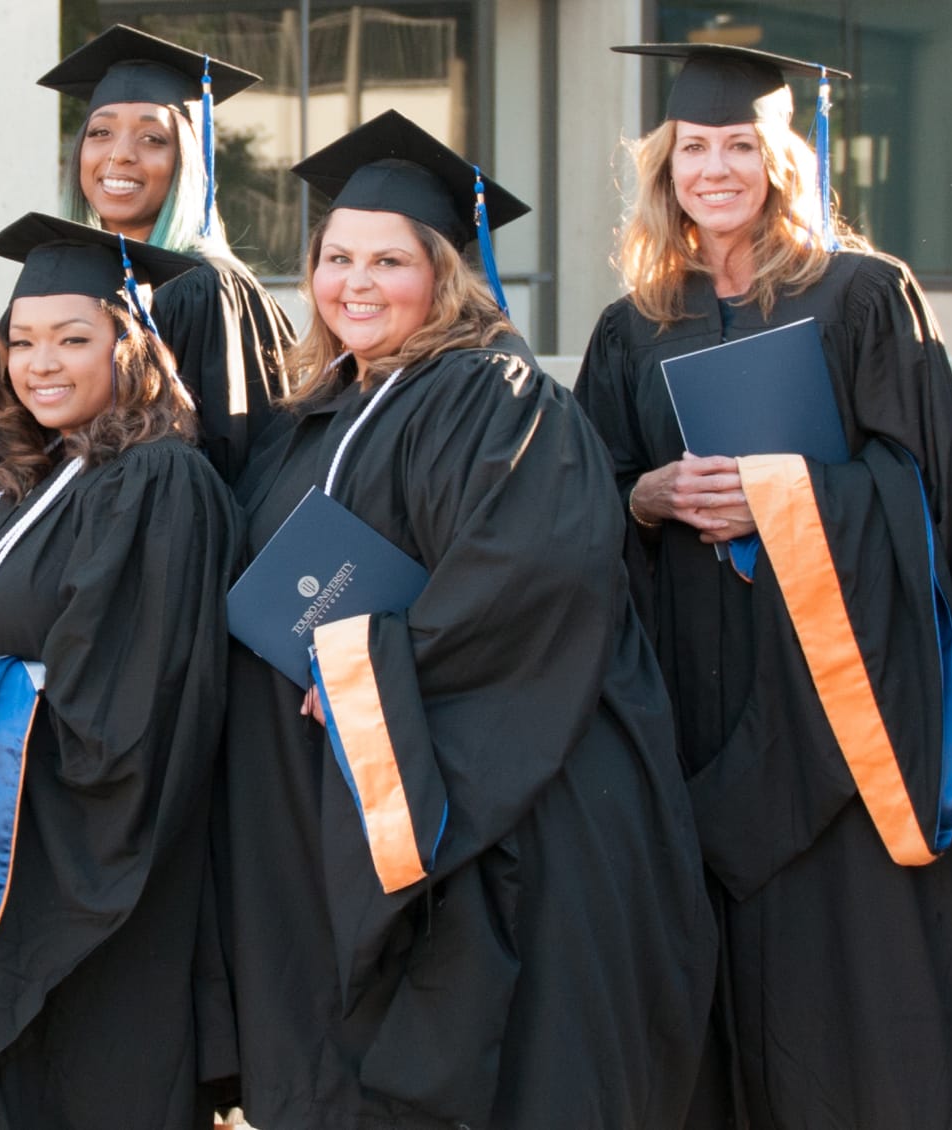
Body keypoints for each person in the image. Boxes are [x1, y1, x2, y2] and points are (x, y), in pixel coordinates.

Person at [222, 111, 714, 1130]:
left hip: (501, 805)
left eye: (388, 261)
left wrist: (365, 677)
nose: (354, 282)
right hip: (353, 788)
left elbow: (525, 583)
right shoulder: (312, 409)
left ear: (444, 272)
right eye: (335, 258)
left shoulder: (495, 395)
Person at [573, 43, 952, 1130]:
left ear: (780, 158)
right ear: (664, 167)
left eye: (740, 146)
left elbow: (925, 493)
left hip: (835, 715)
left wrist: (788, 499)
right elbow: (587, 500)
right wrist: (649, 497)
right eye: (694, 148)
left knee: (854, 1015)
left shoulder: (860, 295)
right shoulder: (631, 327)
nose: (716, 169)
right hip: (692, 717)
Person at [0, 211, 235, 1130]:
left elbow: (123, 701)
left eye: (75, 339)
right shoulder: (20, 480)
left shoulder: (158, 481)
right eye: (22, 341)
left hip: (81, 868)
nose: (42, 363)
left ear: (131, 348)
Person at [36, 24, 297, 480]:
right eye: (100, 132)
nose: (119, 155)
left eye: (152, 138)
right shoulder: (88, 282)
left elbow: (226, 462)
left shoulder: (203, 286)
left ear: (188, 161)